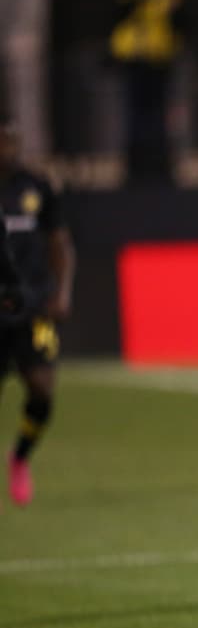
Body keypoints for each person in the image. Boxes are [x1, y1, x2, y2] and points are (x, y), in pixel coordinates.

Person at [0, 119, 75, 506]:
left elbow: (60, 243)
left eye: (12, 140)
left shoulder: (38, 186)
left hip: (33, 307)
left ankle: (20, 456)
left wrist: (61, 293)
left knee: (42, 388)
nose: (8, 148)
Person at [109, 0, 187, 187]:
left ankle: (160, 165)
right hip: (133, 64)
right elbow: (116, 17)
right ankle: (135, 166)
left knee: (159, 117)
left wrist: (173, 1)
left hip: (159, 63)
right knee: (134, 117)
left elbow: (181, 25)